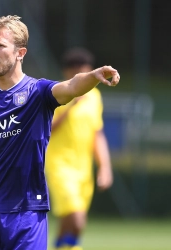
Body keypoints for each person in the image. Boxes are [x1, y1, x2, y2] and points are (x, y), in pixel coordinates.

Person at [0, 16, 120, 250]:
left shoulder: (38, 92)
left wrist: (93, 76)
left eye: (0, 46)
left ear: (20, 52)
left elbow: (70, 86)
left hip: (27, 214)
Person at [45, 47, 114, 250]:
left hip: (83, 169)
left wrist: (105, 167)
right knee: (76, 219)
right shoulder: (58, 94)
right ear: (68, 73)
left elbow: (97, 133)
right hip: (59, 166)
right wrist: (72, 104)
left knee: (73, 225)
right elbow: (46, 129)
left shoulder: (95, 97)